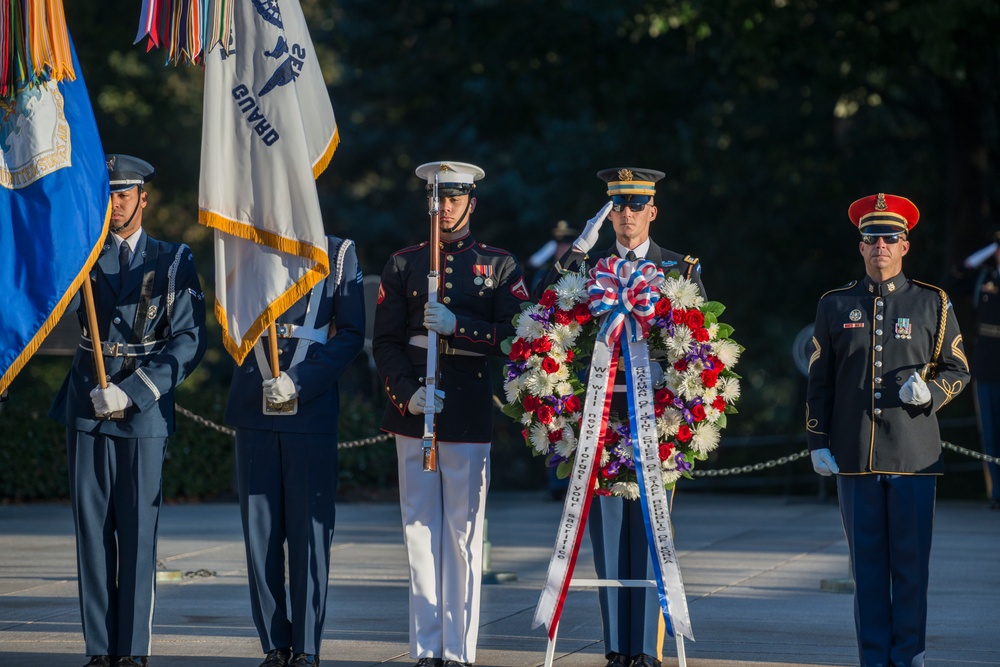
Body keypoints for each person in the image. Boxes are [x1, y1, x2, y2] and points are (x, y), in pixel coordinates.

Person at [49, 154, 208, 667]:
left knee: (139, 535)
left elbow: (187, 341)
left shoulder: (173, 258)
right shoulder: (81, 253)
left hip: (143, 410)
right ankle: (99, 651)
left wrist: (136, 390)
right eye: (108, 193)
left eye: (124, 194)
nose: (114, 203)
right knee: (92, 534)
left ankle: (132, 653)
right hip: (87, 402)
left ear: (144, 198)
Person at [372, 161, 530, 667]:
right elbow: (386, 342)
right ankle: (425, 648)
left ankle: (459, 651)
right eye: (437, 198)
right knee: (418, 532)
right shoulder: (403, 263)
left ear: (471, 202)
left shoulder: (499, 264)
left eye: (455, 198)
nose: (445, 208)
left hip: (466, 405)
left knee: (462, 536)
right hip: (416, 407)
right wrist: (406, 394)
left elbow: (516, 338)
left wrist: (459, 326)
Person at [546, 168, 705, 667]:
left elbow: (698, 347)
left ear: (653, 212)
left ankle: (647, 652)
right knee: (609, 539)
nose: (627, 215)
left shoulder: (679, 270)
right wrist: (576, 252)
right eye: (618, 206)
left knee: (654, 536)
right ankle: (617, 647)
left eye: (636, 206)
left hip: (657, 425)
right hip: (601, 422)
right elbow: (545, 312)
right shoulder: (587, 270)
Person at [805, 193, 970, 667]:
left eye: (890, 238)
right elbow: (820, 383)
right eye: (871, 238)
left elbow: (958, 369)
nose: (881, 246)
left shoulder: (932, 302)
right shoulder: (835, 304)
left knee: (912, 570)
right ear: (860, 247)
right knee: (868, 571)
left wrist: (934, 394)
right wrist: (817, 442)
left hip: (915, 458)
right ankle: (873, 659)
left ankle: (909, 658)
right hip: (854, 456)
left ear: (905, 245)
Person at [224, 236, 366, 667]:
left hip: (310, 405)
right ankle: (274, 644)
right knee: (260, 535)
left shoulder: (338, 252)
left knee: (308, 535)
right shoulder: (246, 241)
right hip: (256, 398)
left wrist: (301, 380)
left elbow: (351, 334)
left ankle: (305, 647)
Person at [942, 229, 1000, 509]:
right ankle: (997, 493)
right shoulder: (984, 279)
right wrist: (985, 255)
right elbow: (952, 282)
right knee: (990, 433)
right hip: (988, 366)